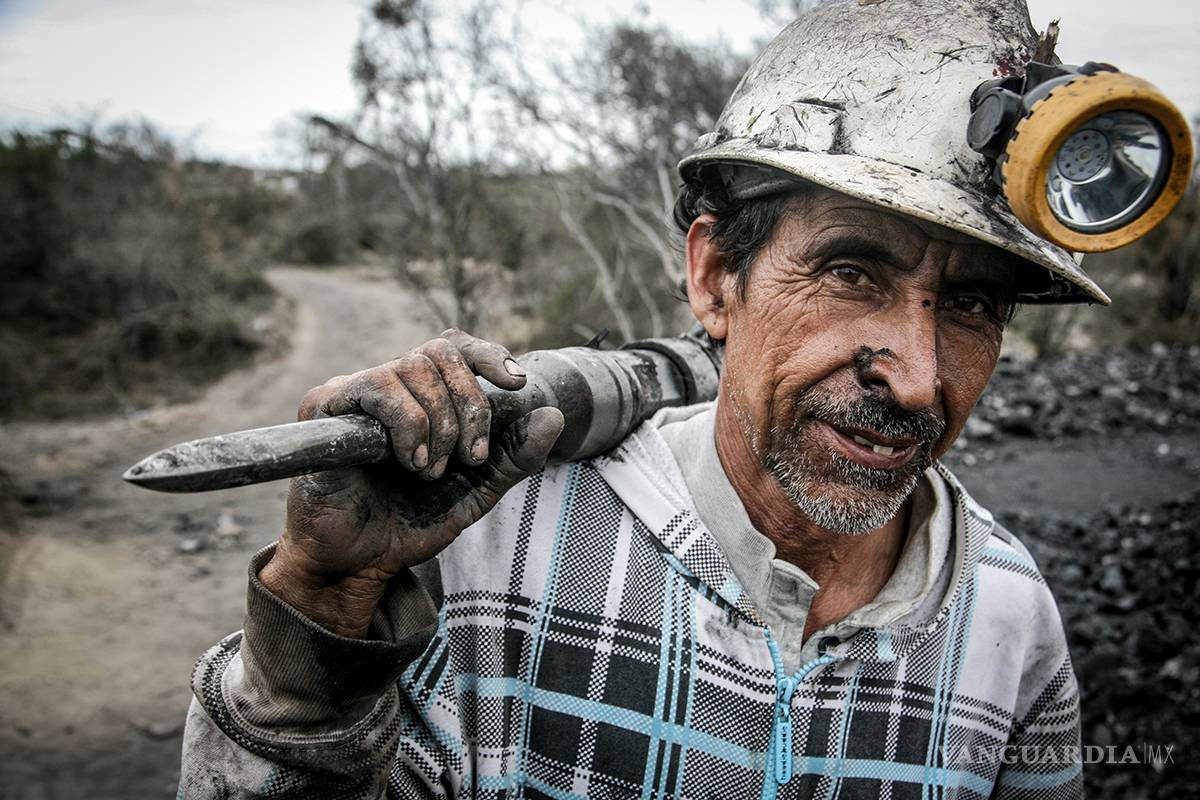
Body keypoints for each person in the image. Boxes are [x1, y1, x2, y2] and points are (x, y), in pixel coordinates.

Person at [180, 0, 1099, 797]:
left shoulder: (1006, 618)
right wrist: (322, 611)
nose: (917, 375)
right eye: (851, 271)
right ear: (714, 278)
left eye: (974, 303)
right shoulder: (498, 550)